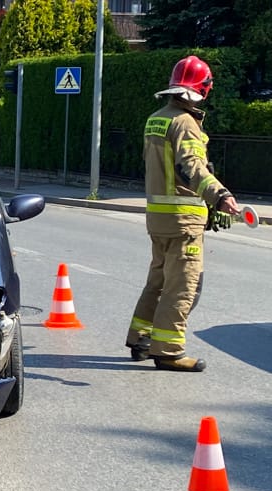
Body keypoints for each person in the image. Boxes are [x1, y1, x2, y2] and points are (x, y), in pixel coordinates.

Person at [124, 55, 240, 372]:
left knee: (158, 281)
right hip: (183, 221)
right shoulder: (185, 123)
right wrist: (220, 196)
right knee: (184, 286)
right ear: (202, 88)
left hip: (158, 218)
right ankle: (169, 351)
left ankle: (141, 339)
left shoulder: (156, 118)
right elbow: (192, 167)